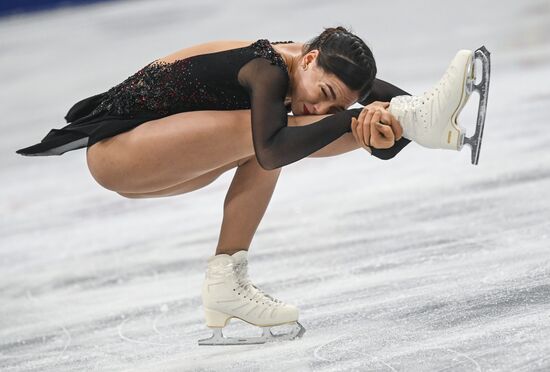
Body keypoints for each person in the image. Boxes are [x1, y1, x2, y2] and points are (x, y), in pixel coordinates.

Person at [15, 26, 484, 345]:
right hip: (118, 153)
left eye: (335, 102)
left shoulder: (316, 71)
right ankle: (225, 281)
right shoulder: (269, 69)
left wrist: (383, 127)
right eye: (323, 95)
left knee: (285, 129)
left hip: (162, 158)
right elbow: (276, 151)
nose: (323, 107)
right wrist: (357, 118)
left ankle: (226, 282)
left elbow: (394, 115)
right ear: (310, 58)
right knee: (273, 132)